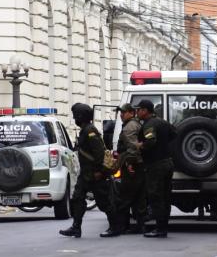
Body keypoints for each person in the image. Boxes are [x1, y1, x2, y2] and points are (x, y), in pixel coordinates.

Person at [60, 103, 121, 238]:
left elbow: (99, 153)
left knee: (104, 202)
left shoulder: (90, 131)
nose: (74, 118)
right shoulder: (85, 130)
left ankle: (115, 227)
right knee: (77, 198)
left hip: (95, 174)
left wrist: (100, 172)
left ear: (80, 116)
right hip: (86, 174)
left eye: (75, 116)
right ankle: (76, 227)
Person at [137, 99, 177, 238]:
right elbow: (174, 134)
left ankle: (160, 228)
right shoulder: (162, 122)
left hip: (156, 165)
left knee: (156, 196)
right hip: (167, 163)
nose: (137, 112)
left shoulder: (149, 124)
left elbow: (150, 141)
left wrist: (140, 146)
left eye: (139, 109)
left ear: (145, 111)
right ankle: (163, 227)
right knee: (165, 196)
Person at [115, 103, 147, 234]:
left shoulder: (130, 127)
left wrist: (130, 163)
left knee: (126, 196)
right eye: (120, 112)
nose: (121, 115)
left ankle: (123, 225)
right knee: (139, 197)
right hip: (137, 165)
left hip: (132, 166)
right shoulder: (134, 124)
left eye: (123, 112)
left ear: (131, 113)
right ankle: (140, 225)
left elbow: (133, 148)